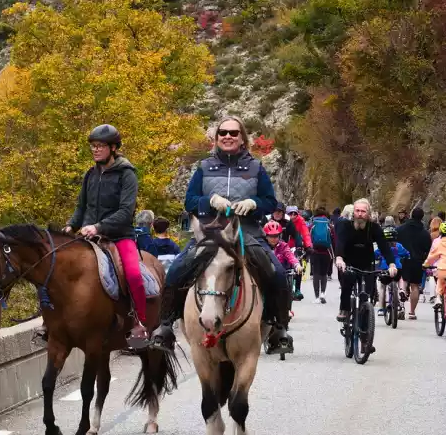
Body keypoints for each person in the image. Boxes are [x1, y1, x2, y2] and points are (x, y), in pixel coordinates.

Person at [152, 116, 292, 355]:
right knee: (176, 270)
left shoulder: (256, 168)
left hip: (246, 231)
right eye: (223, 133)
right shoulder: (204, 167)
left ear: (242, 138)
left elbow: (270, 202)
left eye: (233, 133)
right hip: (209, 231)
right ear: (216, 138)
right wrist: (210, 201)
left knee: (277, 273)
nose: (228, 136)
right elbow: (189, 201)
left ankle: (279, 329)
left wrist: (253, 203)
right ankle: (165, 327)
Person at [65, 124, 151, 349]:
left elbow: (126, 212)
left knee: (133, 275)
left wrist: (98, 226)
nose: (95, 150)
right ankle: (52, 323)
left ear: (113, 148)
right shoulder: (90, 174)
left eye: (100, 146)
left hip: (119, 236)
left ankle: (139, 323)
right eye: (93, 146)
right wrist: (71, 225)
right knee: (59, 267)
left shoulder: (127, 174)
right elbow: (81, 206)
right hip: (88, 236)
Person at [334, 199, 396, 324]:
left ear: (368, 214)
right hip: (349, 262)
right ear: (353, 212)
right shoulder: (346, 226)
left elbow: (384, 247)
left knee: (368, 292)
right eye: (357, 211)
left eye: (363, 211)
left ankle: (366, 322)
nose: (360, 214)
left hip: (367, 263)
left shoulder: (374, 228)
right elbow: (340, 242)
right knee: (347, 282)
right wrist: (339, 258)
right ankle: (344, 309)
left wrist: (391, 264)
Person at [396, 208, 432, 319]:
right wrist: (425, 260)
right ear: (422, 217)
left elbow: (395, 242)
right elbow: (428, 249)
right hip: (417, 261)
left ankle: (401, 306)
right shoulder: (425, 233)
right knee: (415, 286)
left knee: (403, 281)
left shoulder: (401, 229)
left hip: (403, 259)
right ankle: (412, 312)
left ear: (411, 215)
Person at [374, 226, 410, 317]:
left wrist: (377, 257)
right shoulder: (399, 246)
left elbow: (375, 254)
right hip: (397, 268)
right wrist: (407, 256)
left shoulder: (382, 247)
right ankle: (401, 290)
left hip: (385, 268)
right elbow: (406, 253)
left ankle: (381, 309)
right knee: (400, 278)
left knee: (382, 287)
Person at [307, 208, 335, 304]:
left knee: (316, 273)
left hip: (314, 252)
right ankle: (323, 293)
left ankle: (317, 297)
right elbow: (333, 239)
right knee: (324, 274)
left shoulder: (312, 225)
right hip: (326, 252)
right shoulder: (329, 225)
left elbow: (307, 238)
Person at [265, 221, 300, 292]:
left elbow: (290, 256)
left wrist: (297, 265)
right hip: (266, 277)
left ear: (279, 236)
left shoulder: (283, 246)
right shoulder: (262, 247)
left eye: (276, 236)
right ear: (266, 236)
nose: (273, 239)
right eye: (271, 236)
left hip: (282, 277)